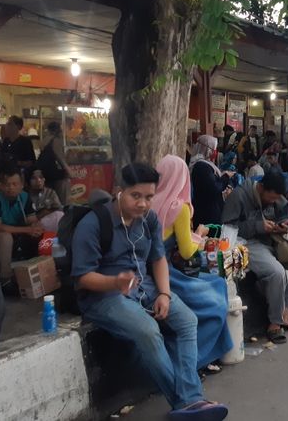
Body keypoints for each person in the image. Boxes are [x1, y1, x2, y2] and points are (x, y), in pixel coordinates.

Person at [71, 163, 228, 420]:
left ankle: (190, 400)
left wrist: (165, 294)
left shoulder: (150, 220)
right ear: (119, 191)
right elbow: (82, 277)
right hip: (104, 297)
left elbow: (157, 260)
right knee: (148, 330)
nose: (143, 204)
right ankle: (187, 403)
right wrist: (114, 283)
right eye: (136, 196)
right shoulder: (94, 223)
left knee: (187, 320)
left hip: (145, 289)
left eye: (149, 197)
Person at [152, 155, 233, 370]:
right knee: (216, 295)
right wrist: (199, 233)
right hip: (167, 274)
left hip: (149, 271)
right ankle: (197, 359)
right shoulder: (179, 207)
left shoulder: (149, 201)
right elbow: (188, 252)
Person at [221, 172, 288, 343]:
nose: (273, 202)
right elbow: (228, 227)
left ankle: (287, 310)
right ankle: (275, 323)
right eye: (270, 198)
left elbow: (283, 214)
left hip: (273, 241)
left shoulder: (277, 198)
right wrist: (258, 226)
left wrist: (283, 224)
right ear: (261, 187)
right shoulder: (240, 196)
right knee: (276, 272)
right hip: (248, 243)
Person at [0, 168, 44, 293]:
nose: (11, 188)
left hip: (16, 234)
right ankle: (5, 280)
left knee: (40, 233)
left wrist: (35, 227)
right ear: (1, 186)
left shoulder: (24, 197)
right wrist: (26, 229)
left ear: (21, 185)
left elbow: (31, 219)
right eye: (7, 184)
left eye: (15, 184)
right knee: (5, 237)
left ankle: (37, 273)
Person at [190, 135, 232, 227]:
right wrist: (226, 177)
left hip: (209, 210)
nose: (215, 152)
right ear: (207, 149)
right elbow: (214, 188)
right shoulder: (201, 166)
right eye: (213, 149)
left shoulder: (205, 164)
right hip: (207, 213)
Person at [36, 121, 72, 205]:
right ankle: (62, 216)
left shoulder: (44, 140)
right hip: (57, 174)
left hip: (45, 174)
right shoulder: (55, 140)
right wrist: (69, 171)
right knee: (62, 201)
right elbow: (60, 157)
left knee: (49, 200)